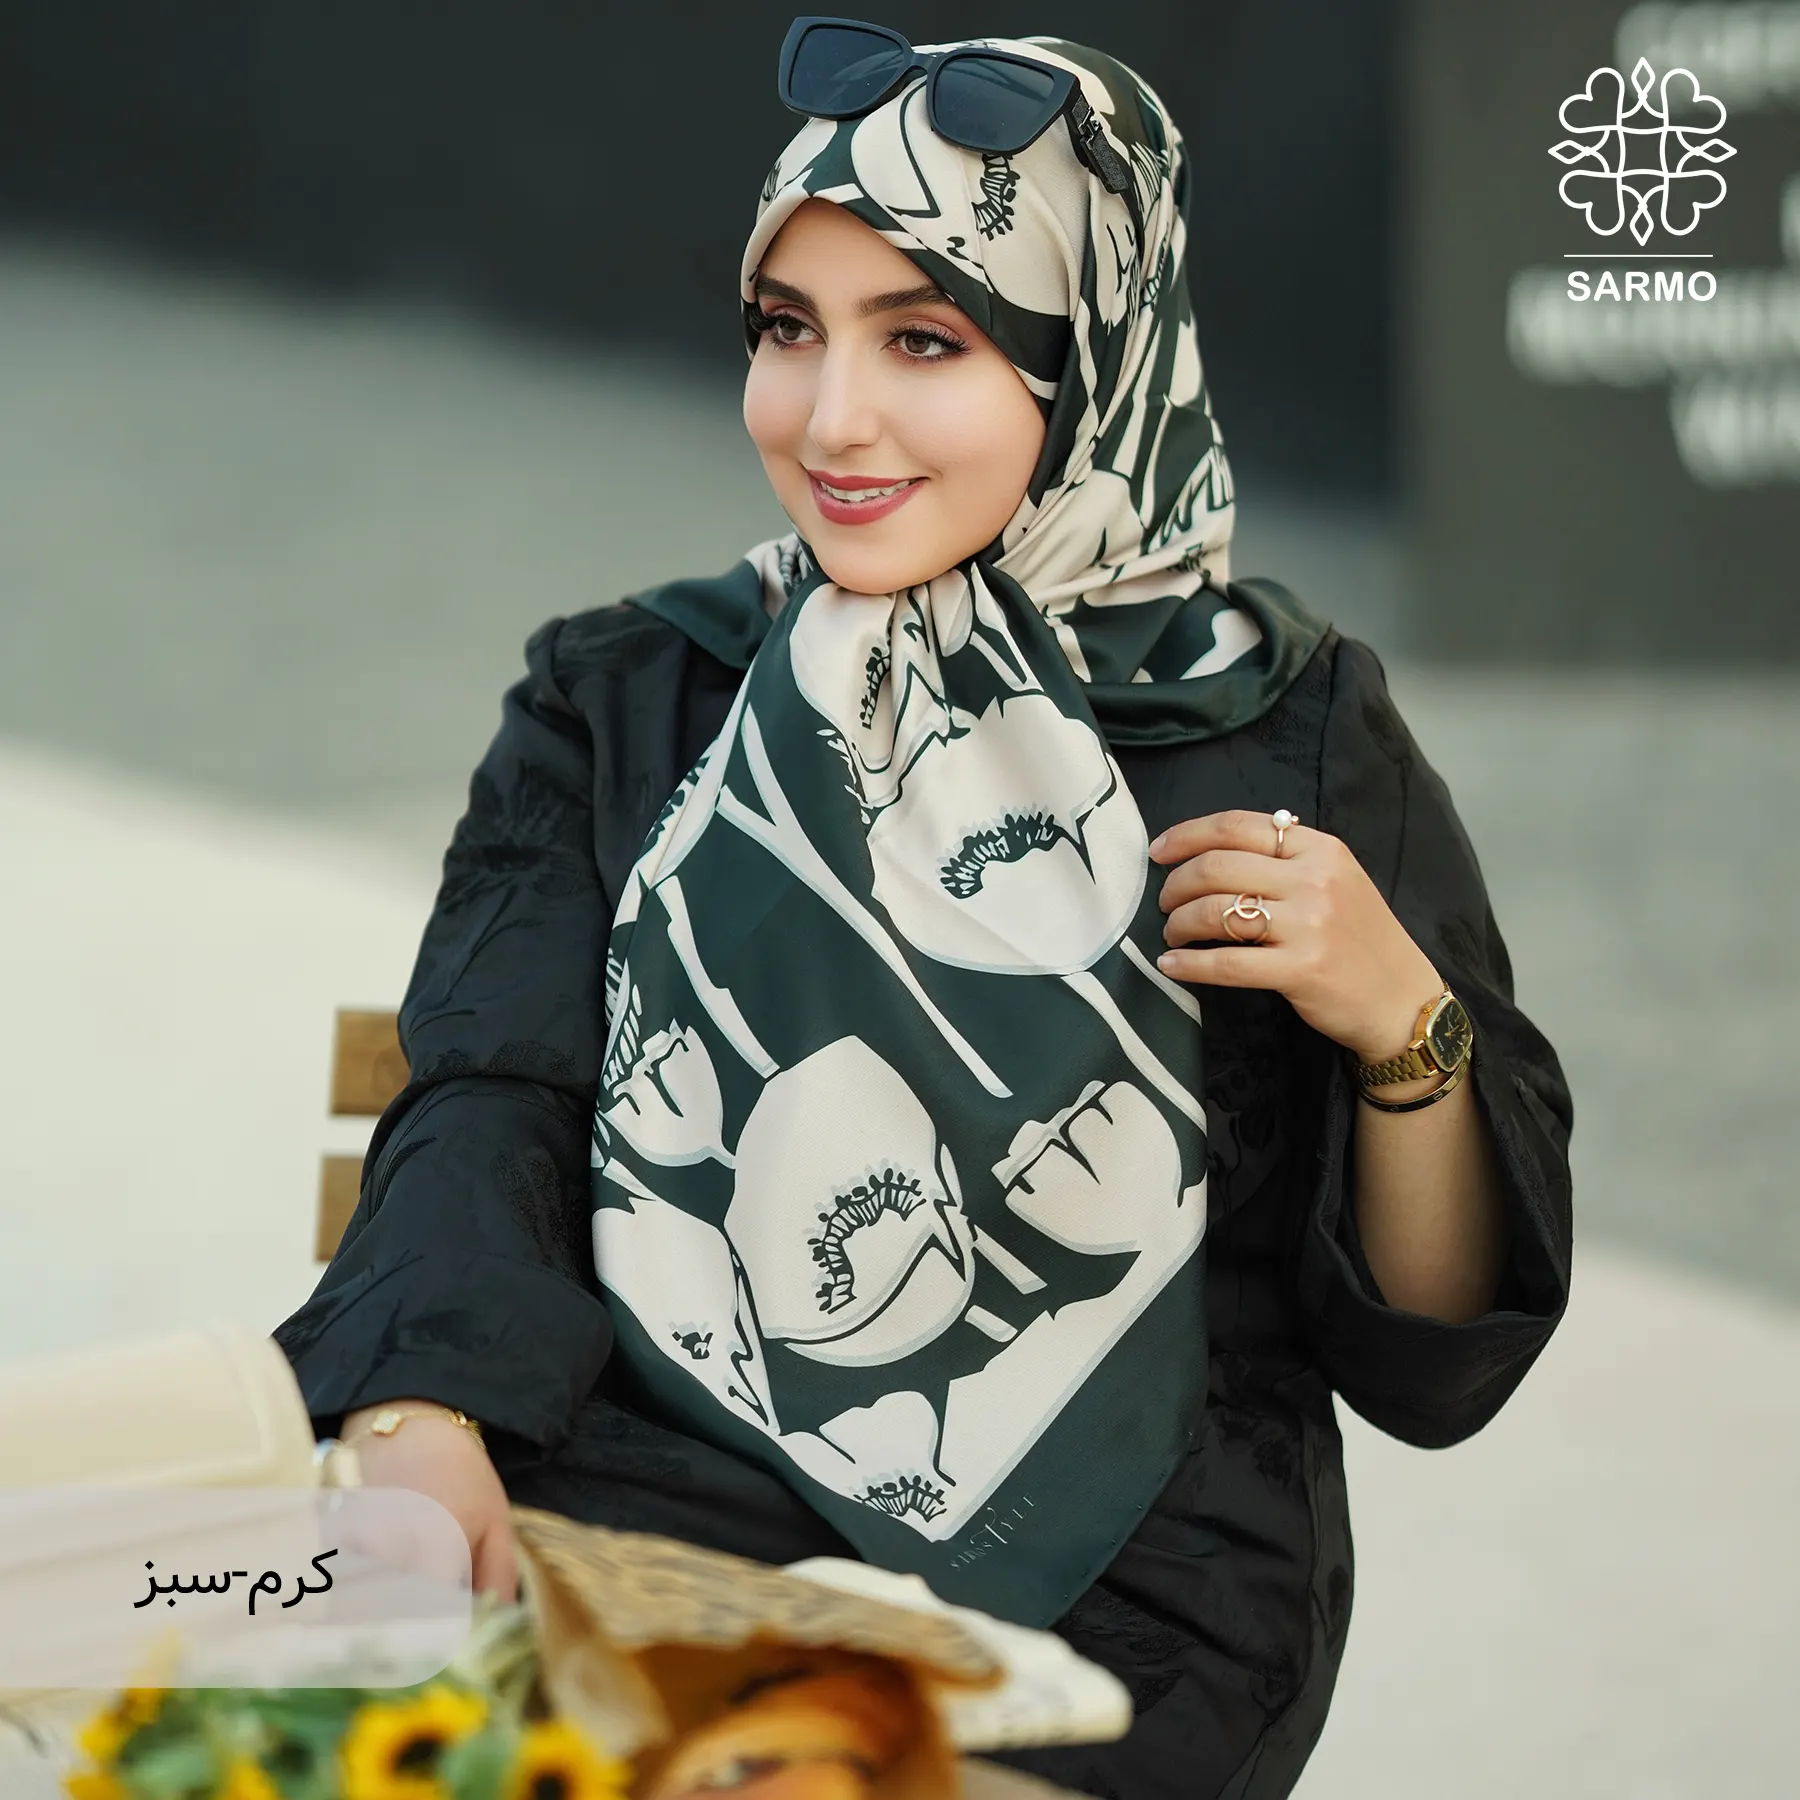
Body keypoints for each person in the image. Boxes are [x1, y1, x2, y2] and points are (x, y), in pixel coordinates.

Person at [274, 25, 1572, 1799]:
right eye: (787, 329)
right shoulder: (634, 690)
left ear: (1089, 358)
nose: (831, 420)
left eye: (925, 340)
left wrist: (1405, 1025)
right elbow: (493, 1087)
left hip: (1137, 1586)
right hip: (651, 1489)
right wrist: (419, 1420)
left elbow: (1429, 1357)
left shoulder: (1285, 727)